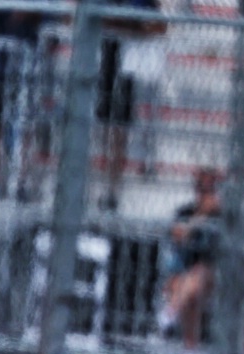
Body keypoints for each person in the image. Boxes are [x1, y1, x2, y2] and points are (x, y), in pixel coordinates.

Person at [95, 0, 164, 210]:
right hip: (104, 59)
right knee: (102, 127)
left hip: (130, 65)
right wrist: (130, 24)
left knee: (120, 129)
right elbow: (96, 18)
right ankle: (97, 186)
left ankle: (113, 190)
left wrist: (128, 24)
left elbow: (158, 26)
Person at [160, 167, 221, 347]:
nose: (205, 195)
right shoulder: (186, 212)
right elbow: (179, 236)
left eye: (209, 190)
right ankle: (190, 347)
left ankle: (168, 315)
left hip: (214, 274)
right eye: (201, 190)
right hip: (185, 274)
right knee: (191, 289)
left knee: (199, 273)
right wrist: (201, 215)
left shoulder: (223, 216)